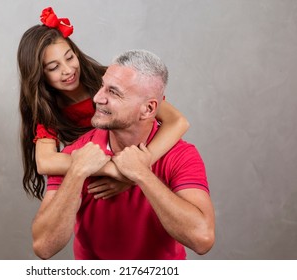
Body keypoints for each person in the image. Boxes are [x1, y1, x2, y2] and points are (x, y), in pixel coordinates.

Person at [32, 49, 215, 260]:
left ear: (148, 109)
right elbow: (43, 247)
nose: (98, 98)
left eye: (114, 92)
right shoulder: (76, 155)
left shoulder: (180, 155)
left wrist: (140, 174)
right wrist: (77, 172)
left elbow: (202, 240)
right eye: (102, 86)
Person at [17, 7, 190, 200]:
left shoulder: (110, 78)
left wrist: (135, 172)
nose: (67, 70)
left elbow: (178, 121)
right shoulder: (48, 109)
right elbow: (45, 162)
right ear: (39, 75)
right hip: (105, 176)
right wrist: (114, 169)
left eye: (69, 57)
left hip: (152, 157)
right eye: (54, 67)